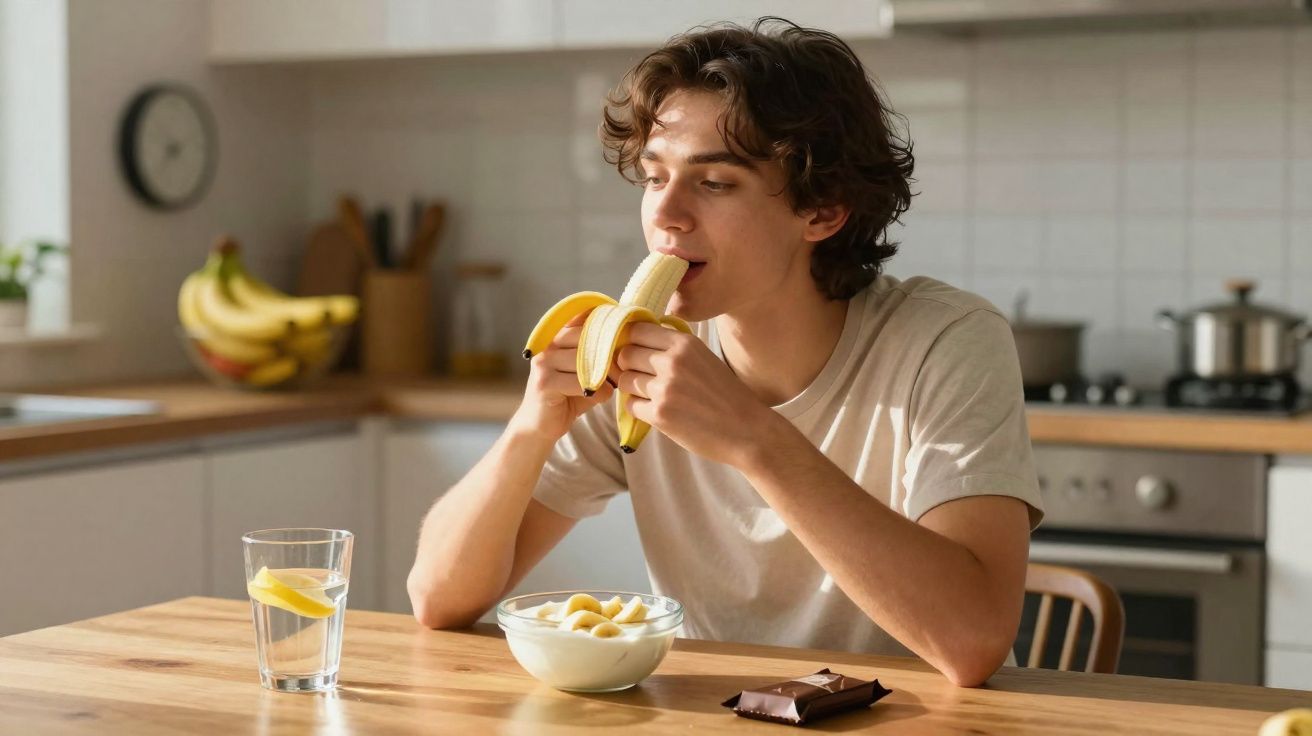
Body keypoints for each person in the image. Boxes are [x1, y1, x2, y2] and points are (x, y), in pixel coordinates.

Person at [407, 17, 1043, 687]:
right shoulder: (633, 356)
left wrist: (752, 439)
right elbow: (438, 599)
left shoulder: (946, 341)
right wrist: (532, 427)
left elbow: (972, 644)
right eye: (655, 179)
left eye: (714, 184)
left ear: (823, 211)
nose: (667, 216)